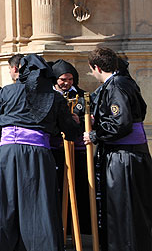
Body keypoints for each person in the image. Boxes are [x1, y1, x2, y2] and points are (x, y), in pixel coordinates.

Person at [0, 54, 81, 251]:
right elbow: (71, 132)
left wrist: (8, 124)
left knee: (4, 205)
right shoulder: (54, 97)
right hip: (37, 156)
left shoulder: (6, 92)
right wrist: (74, 124)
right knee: (38, 205)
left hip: (7, 154)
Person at [83, 47, 152, 251]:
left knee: (124, 211)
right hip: (128, 155)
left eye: (92, 70)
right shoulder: (123, 82)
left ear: (96, 67)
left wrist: (95, 135)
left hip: (124, 157)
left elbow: (121, 123)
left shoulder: (117, 85)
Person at [48, 59, 91, 236]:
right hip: (56, 150)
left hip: (77, 152)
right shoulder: (48, 96)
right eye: (63, 80)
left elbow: (89, 120)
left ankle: (80, 231)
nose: (66, 83)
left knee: (79, 190)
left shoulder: (82, 96)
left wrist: (80, 122)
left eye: (70, 79)